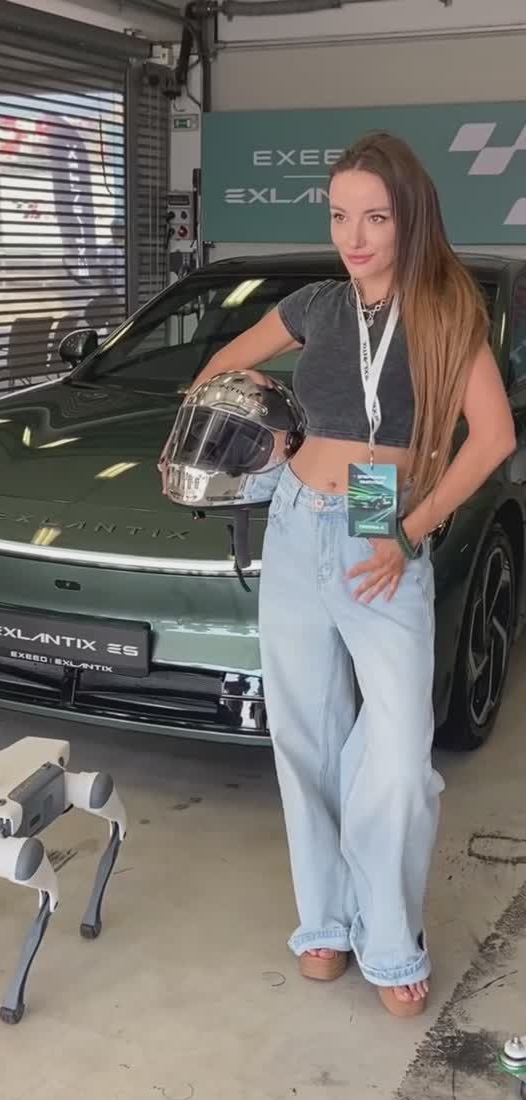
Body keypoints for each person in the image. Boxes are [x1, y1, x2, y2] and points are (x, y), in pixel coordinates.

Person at [160, 132, 516, 1017]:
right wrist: (272, 437)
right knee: (305, 734)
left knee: (396, 752)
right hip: (296, 512)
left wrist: (408, 529)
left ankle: (389, 938)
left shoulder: (444, 310)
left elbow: (494, 439)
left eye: (376, 218)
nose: (354, 236)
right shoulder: (317, 305)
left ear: (410, 219)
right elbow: (218, 371)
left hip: (377, 512)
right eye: (340, 216)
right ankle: (324, 920)